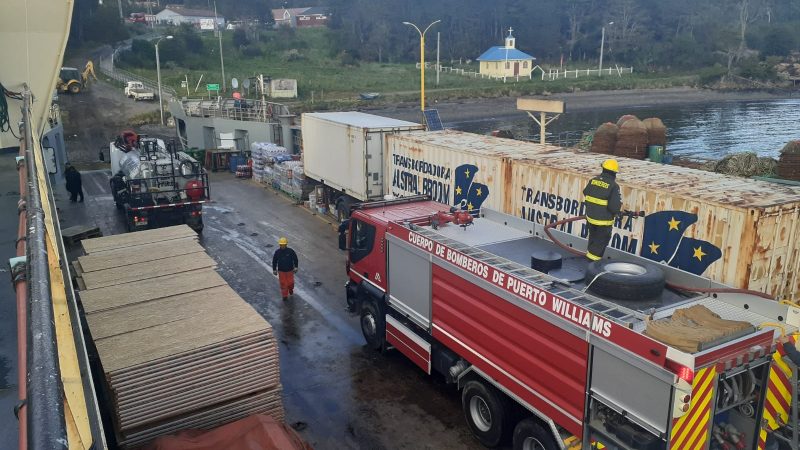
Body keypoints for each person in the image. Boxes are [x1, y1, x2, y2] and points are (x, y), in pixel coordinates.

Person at [582, 159, 622, 261]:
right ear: (614, 172)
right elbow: (614, 207)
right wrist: (617, 212)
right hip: (603, 222)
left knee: (593, 240)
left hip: (591, 218)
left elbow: (586, 192)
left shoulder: (593, 180)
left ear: (603, 169)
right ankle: (592, 266)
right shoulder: (613, 186)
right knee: (600, 244)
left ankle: (590, 259)